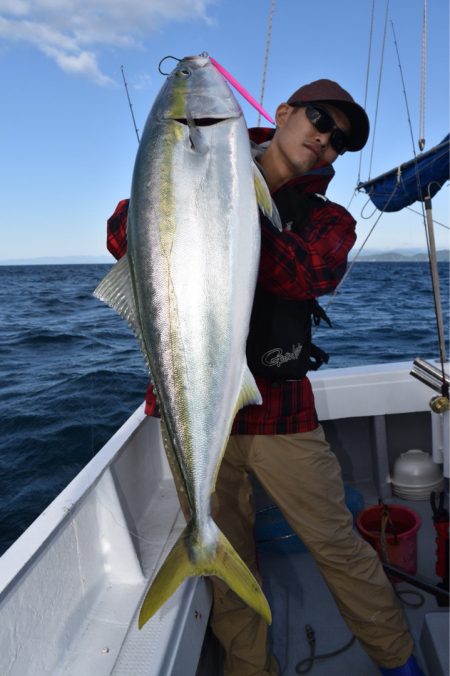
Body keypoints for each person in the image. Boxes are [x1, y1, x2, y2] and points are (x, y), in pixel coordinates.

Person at [107, 79, 424, 676]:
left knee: (336, 544)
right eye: (320, 120)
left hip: (281, 411)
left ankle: (399, 662)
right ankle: (249, 668)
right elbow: (121, 233)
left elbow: (307, 275)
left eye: (341, 142)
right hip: (192, 411)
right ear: (281, 113)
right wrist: (182, 182)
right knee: (228, 551)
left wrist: (225, 196)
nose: (326, 141)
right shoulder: (192, 172)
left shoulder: (330, 220)